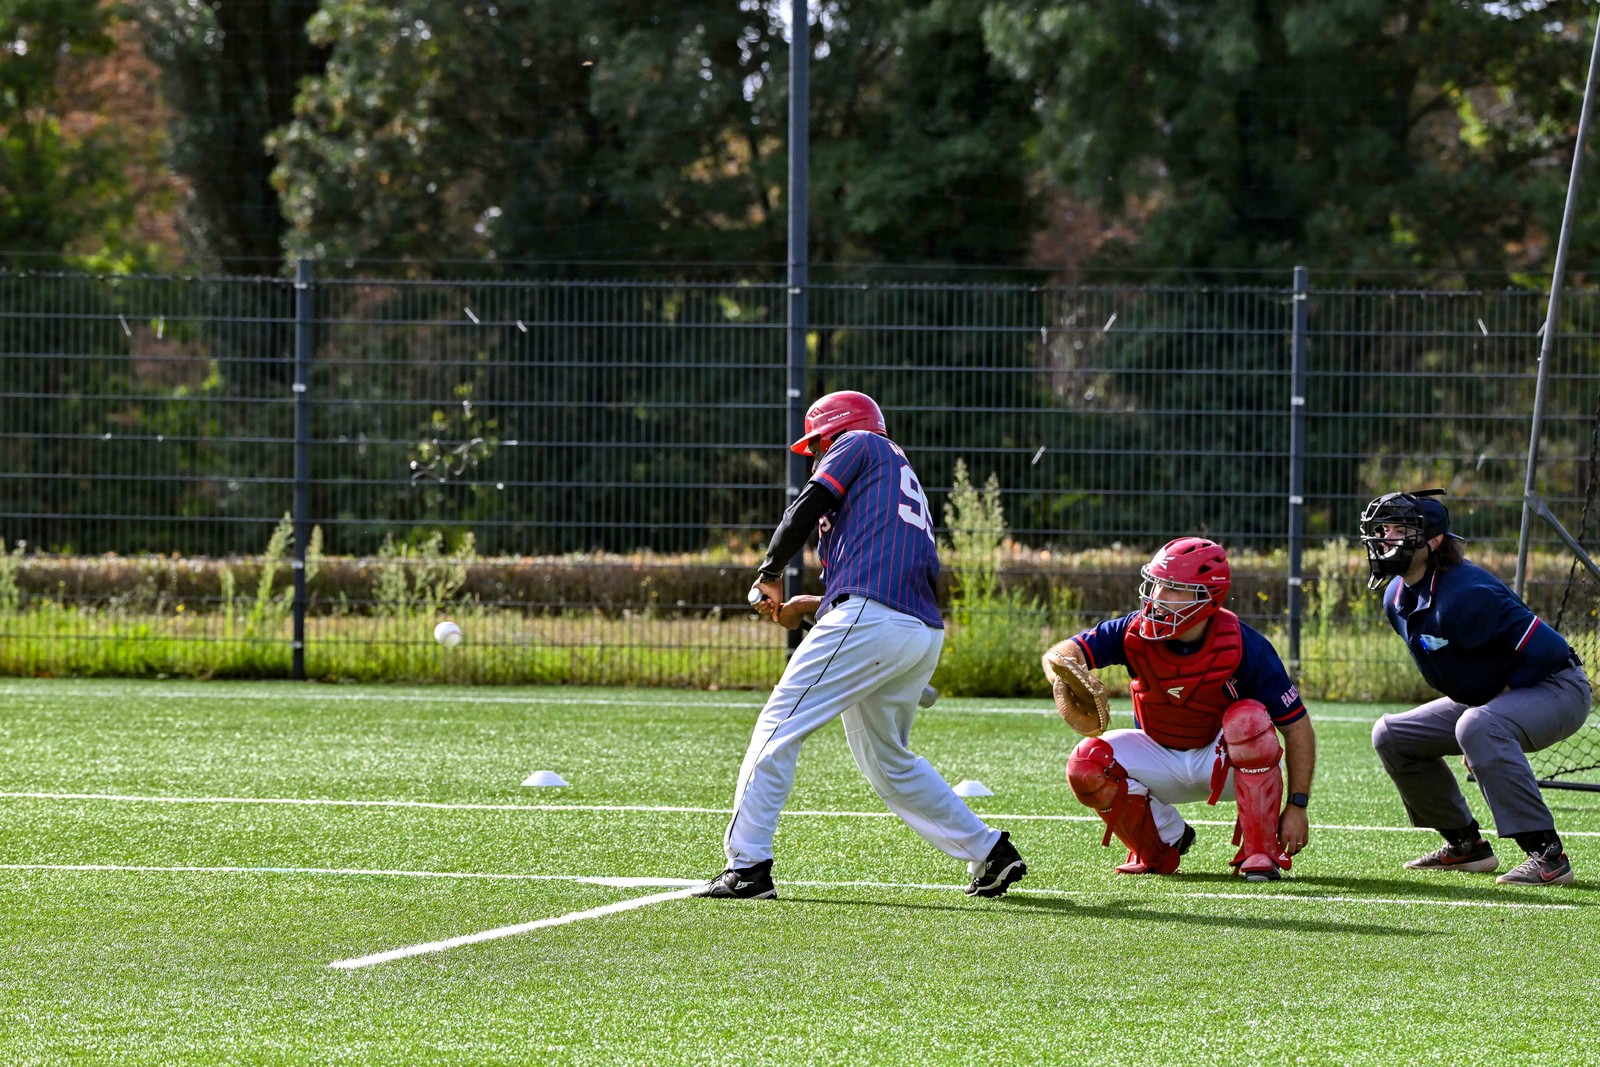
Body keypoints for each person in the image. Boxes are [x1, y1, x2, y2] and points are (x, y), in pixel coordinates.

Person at [691, 390, 1027, 901]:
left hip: (872, 620)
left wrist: (770, 571)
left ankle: (748, 866)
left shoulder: (857, 442)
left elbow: (809, 504)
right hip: (917, 631)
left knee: (778, 726)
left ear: (832, 432)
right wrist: (810, 604)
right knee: (890, 763)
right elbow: (878, 569)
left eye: (816, 447)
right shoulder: (893, 470)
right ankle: (990, 852)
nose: (816, 457)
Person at [1042, 537, 1315, 880]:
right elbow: (1061, 653)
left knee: (1249, 721)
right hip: (1159, 755)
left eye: (1172, 588)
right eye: (1156, 583)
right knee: (1086, 763)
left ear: (1206, 597)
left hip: (1223, 763)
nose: (1156, 597)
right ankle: (1160, 843)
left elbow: (1297, 726)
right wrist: (1063, 676)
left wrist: (1297, 805)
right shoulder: (1132, 631)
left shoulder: (1246, 645)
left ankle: (1260, 850)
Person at [1361, 489, 1591, 886]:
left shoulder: (1467, 593)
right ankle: (1466, 845)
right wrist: (1486, 709)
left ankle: (1548, 857)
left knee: (1478, 726)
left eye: (1401, 530)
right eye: (1385, 529)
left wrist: (1494, 709)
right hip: (1489, 698)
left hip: (1558, 686)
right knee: (1391, 734)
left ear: (1432, 542)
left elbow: (1551, 651)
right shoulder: (1394, 596)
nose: (1386, 538)